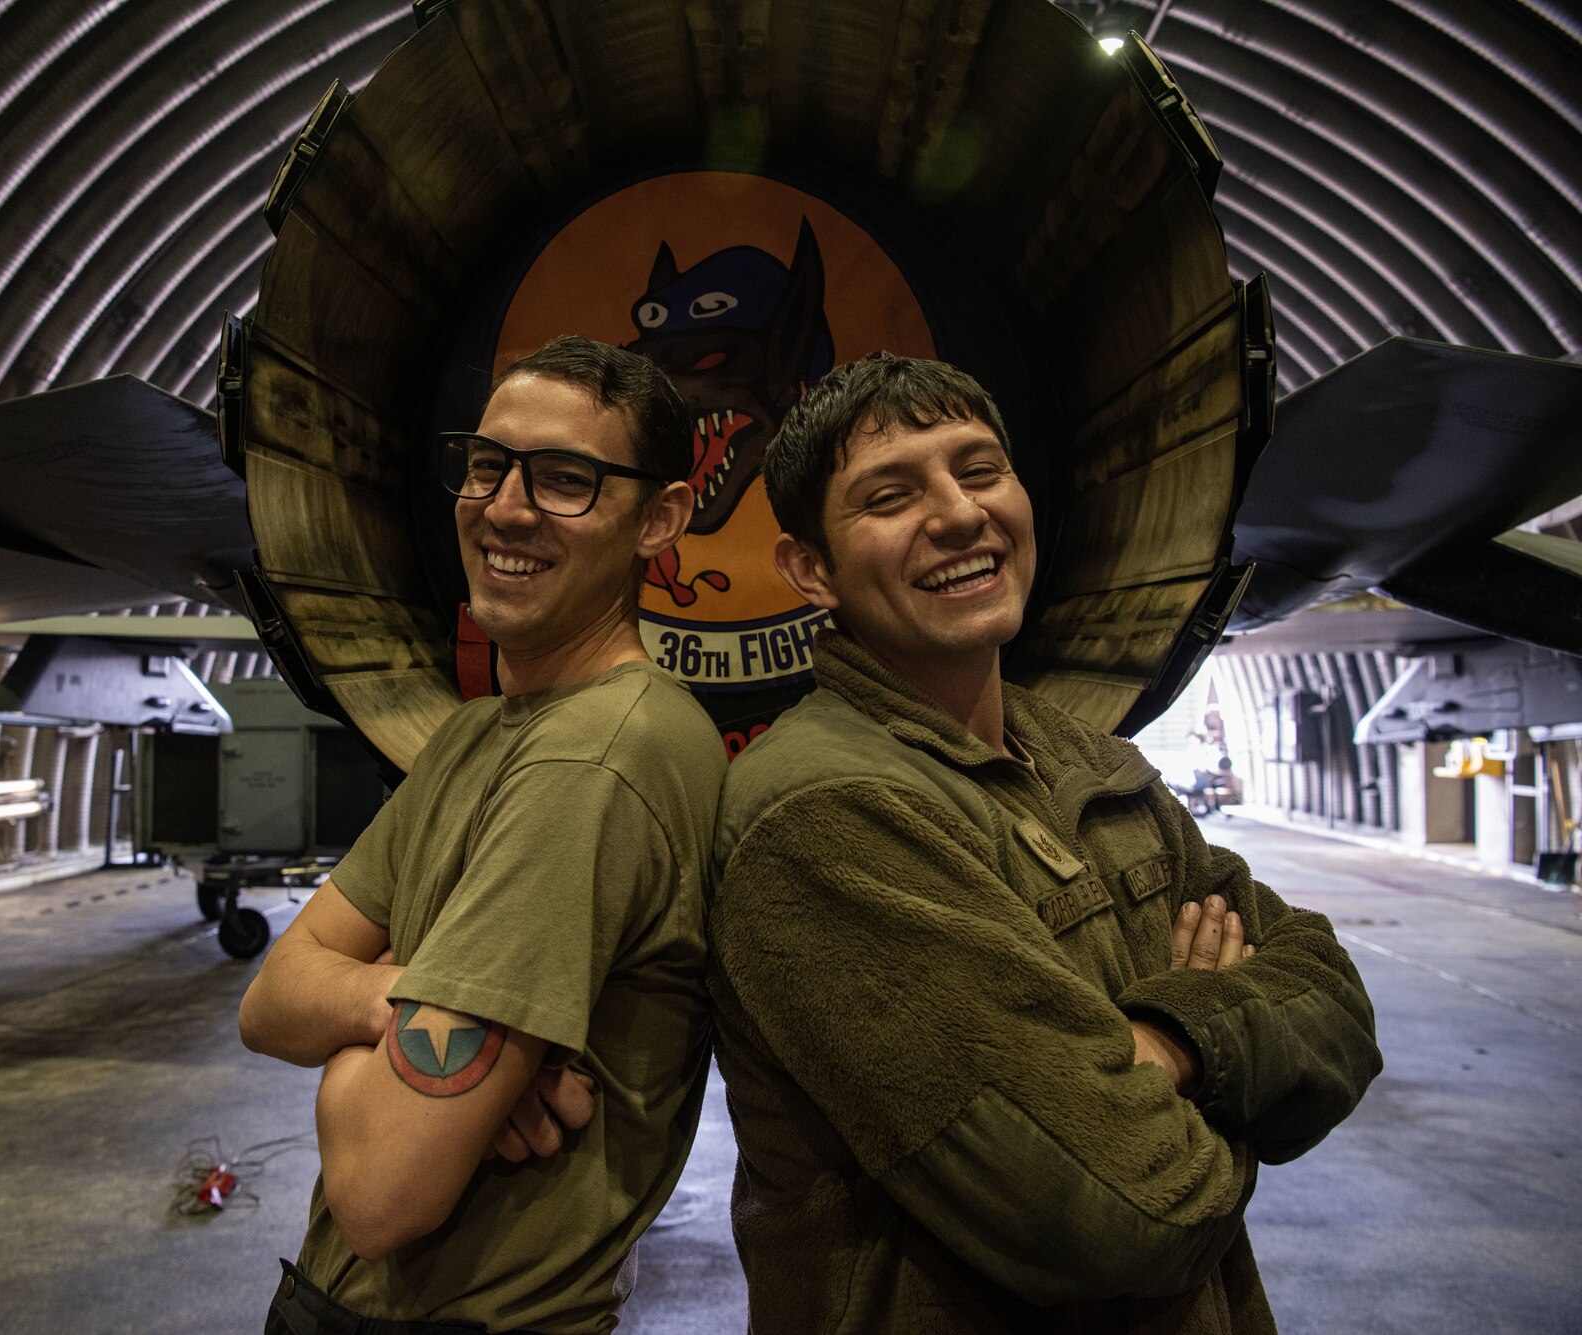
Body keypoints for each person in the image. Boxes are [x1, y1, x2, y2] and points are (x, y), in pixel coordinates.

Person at [708, 352, 1381, 1333]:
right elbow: (1121, 1209)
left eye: (978, 471)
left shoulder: (1087, 761)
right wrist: (1223, 1057)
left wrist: (1171, 1050)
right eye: (889, 495)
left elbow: (1337, 1010)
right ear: (811, 570)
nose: (955, 514)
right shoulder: (822, 813)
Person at [240, 335, 727, 1334]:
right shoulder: (476, 734)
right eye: (486, 464)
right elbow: (266, 1001)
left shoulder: (593, 760)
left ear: (661, 519)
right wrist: (398, 1005)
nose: (504, 507)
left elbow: (380, 1190)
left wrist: (360, 1040)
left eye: (564, 481)